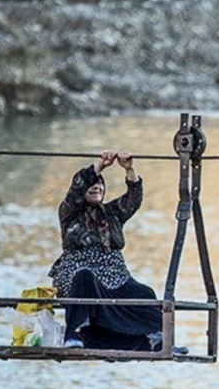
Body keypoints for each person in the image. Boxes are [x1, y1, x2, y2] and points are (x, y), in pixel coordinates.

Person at [48, 149, 163, 350]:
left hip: (114, 275)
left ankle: (156, 336)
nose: (96, 187)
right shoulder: (69, 212)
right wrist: (101, 165)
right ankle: (74, 334)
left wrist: (129, 169)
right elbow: (77, 187)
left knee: (144, 292)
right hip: (77, 273)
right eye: (92, 185)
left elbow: (133, 200)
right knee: (85, 277)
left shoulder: (112, 214)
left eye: (100, 184)